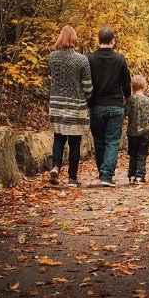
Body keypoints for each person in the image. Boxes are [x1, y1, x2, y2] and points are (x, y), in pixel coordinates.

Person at [48, 25, 93, 187]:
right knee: (74, 142)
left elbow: (54, 78)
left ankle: (55, 167)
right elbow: (87, 86)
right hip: (75, 105)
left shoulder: (52, 57)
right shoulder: (81, 59)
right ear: (74, 39)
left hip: (57, 103)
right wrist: (89, 98)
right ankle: (72, 179)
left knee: (58, 138)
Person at [87, 26, 131, 186]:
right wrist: (128, 97)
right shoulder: (120, 59)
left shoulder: (89, 58)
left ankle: (102, 172)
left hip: (96, 105)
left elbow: (87, 82)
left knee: (99, 140)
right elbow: (126, 83)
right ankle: (106, 175)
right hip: (115, 105)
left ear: (98, 40)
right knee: (112, 141)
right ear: (113, 40)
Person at [125, 75, 149, 184]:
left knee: (133, 154)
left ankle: (131, 175)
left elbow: (125, 113)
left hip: (131, 132)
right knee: (142, 155)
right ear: (144, 87)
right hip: (144, 132)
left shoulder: (129, 100)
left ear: (132, 87)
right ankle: (140, 176)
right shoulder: (147, 100)